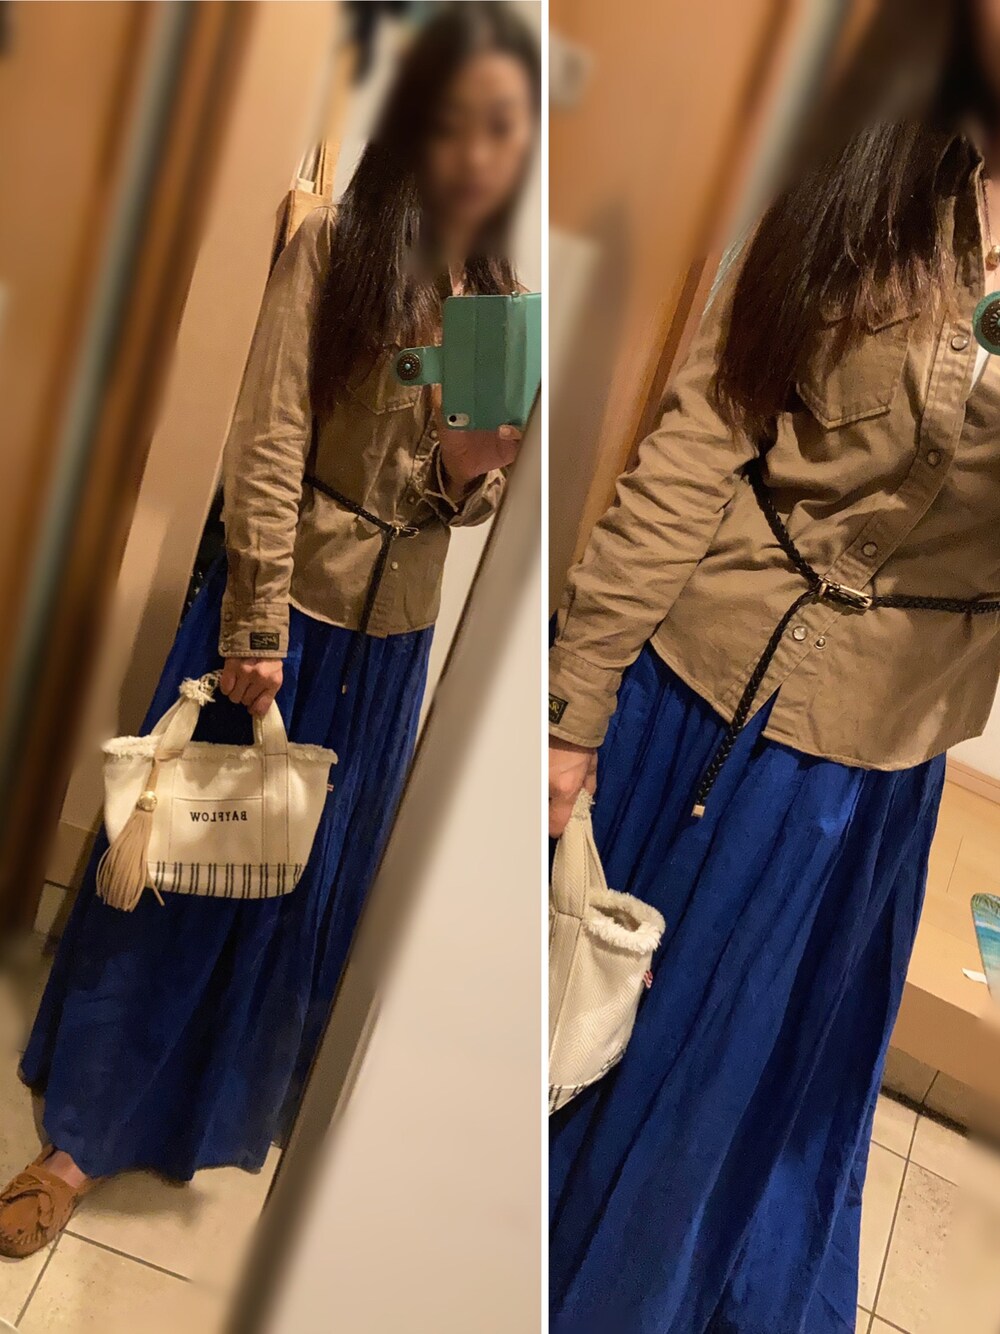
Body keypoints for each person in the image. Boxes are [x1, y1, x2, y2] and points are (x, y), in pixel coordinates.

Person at [0, 0, 538, 1258]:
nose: (482, 149)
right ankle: (82, 1134)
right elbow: (270, 438)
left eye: (506, 127)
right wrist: (253, 625)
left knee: (292, 881)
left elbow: (465, 497)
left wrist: (474, 468)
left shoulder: (500, 300)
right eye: (461, 118)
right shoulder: (338, 248)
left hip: (390, 639)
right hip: (287, 613)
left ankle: (217, 1106)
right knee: (190, 871)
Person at [547, 3, 1000, 1329]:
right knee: (568, 1038)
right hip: (684, 703)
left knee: (707, 1119)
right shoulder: (857, 165)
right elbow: (703, 434)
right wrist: (573, 708)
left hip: (852, 778)